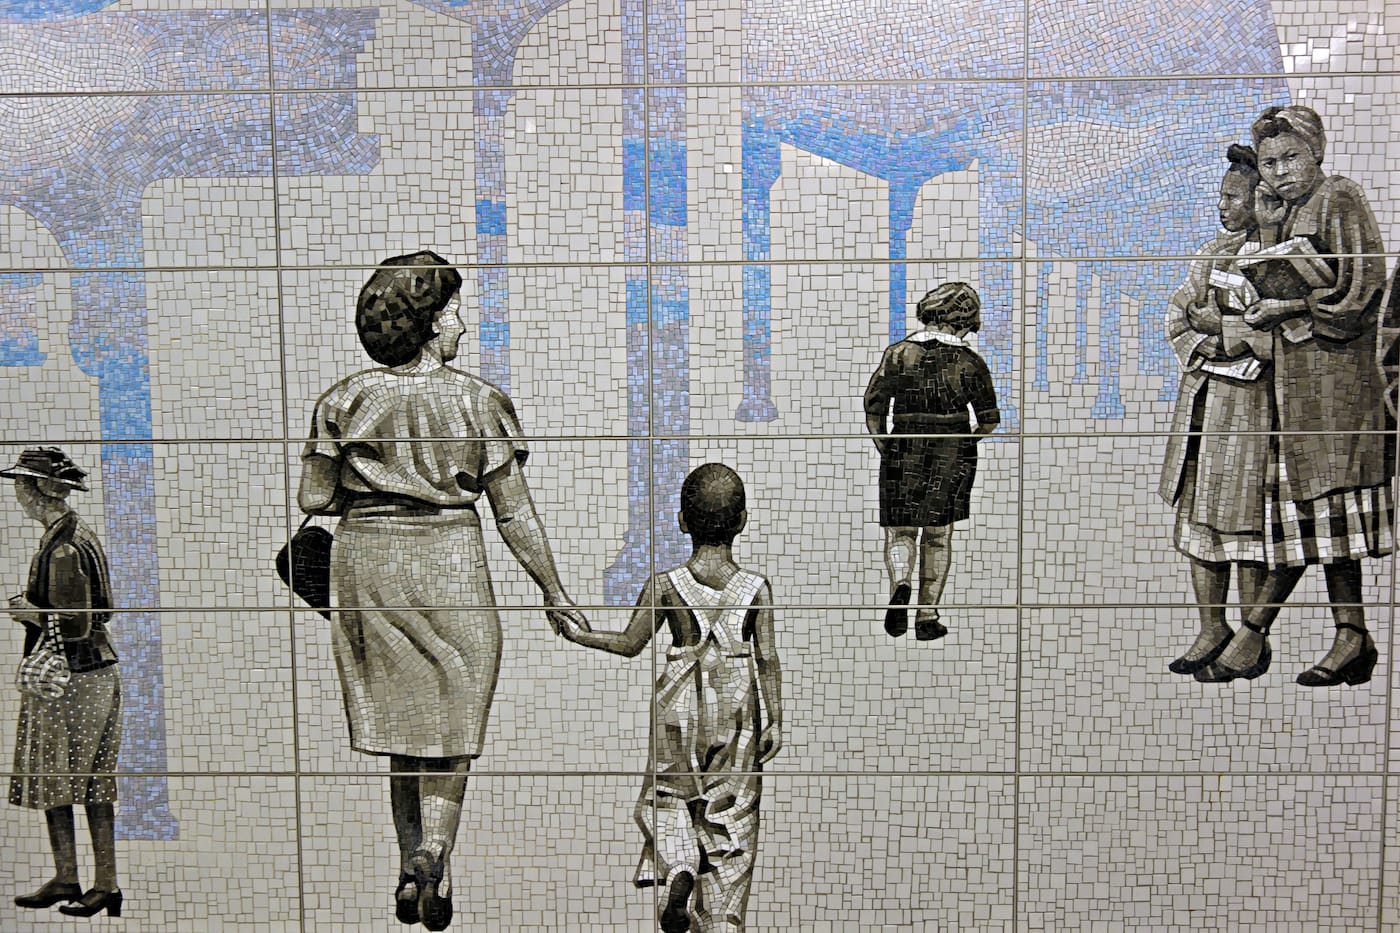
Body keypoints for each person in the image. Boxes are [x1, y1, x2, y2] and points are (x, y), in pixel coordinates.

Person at [297, 251, 589, 930]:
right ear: (429, 323)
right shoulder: (478, 401)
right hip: (449, 560)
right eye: (453, 311)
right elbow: (513, 512)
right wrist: (552, 589)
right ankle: (434, 848)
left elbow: (314, 496)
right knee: (452, 724)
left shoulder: (343, 400)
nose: (461, 323)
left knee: (404, 728)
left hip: (368, 564)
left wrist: (376, 489)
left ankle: (412, 870)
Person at [1195, 105, 1394, 685]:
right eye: (1269, 163)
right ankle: (1351, 634)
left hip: (1339, 391)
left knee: (1321, 515)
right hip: (1299, 387)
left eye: (1290, 158)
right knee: (1323, 520)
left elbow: (1362, 290)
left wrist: (1289, 305)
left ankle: (1255, 631)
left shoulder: (1339, 198)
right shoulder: (1287, 209)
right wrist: (1268, 236)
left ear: (1317, 152)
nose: (1280, 171)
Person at [559, 464, 780, 933]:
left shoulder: (665, 584)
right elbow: (767, 658)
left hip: (678, 701)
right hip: (737, 703)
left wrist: (580, 634)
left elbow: (630, 643)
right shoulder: (755, 588)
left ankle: (679, 864)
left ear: (682, 521)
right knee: (733, 813)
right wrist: (775, 719)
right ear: (742, 521)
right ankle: (722, 919)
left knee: (667, 796)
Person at [1160, 145, 1274, 675]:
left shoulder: (1279, 258)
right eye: (1221, 196)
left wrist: (1227, 334)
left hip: (1250, 410)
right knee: (1197, 522)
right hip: (1203, 404)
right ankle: (1211, 627)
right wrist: (1206, 343)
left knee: (1244, 527)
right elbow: (1178, 315)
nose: (1223, 206)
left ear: (1262, 199)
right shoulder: (1210, 253)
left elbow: (1272, 337)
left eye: (1233, 197)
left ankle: (1249, 637)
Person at [5, 447, 123, 918]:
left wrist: (29, 613)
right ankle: (70, 877)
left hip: (75, 675)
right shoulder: (72, 535)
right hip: (89, 672)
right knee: (70, 780)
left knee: (83, 782)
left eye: (21, 484)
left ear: (37, 490)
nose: (16, 493)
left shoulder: (64, 547)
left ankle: (102, 884)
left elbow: (77, 622)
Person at [864, 282, 1000, 641]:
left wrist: (884, 444)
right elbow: (989, 419)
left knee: (901, 531)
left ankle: (901, 582)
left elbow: (874, 406)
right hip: (951, 454)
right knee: (938, 536)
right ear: (963, 322)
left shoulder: (897, 353)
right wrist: (965, 440)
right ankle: (927, 615)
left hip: (903, 447)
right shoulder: (970, 362)